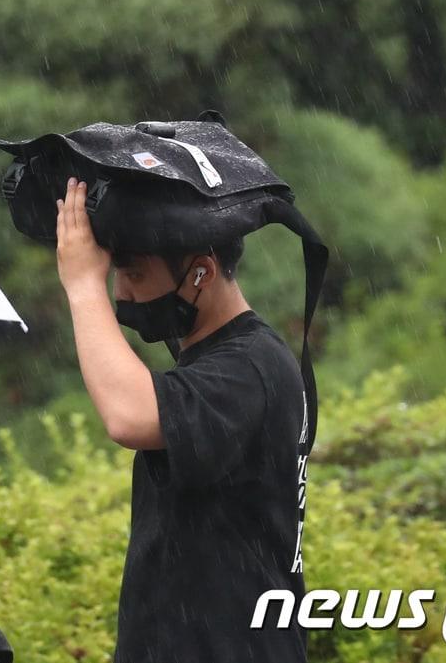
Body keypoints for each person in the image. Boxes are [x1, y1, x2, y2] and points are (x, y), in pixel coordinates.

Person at [52, 177, 308, 663]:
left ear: (201, 274)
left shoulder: (249, 365)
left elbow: (129, 415)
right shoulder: (214, 359)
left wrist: (84, 286)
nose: (121, 294)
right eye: (115, 278)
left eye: (134, 276)